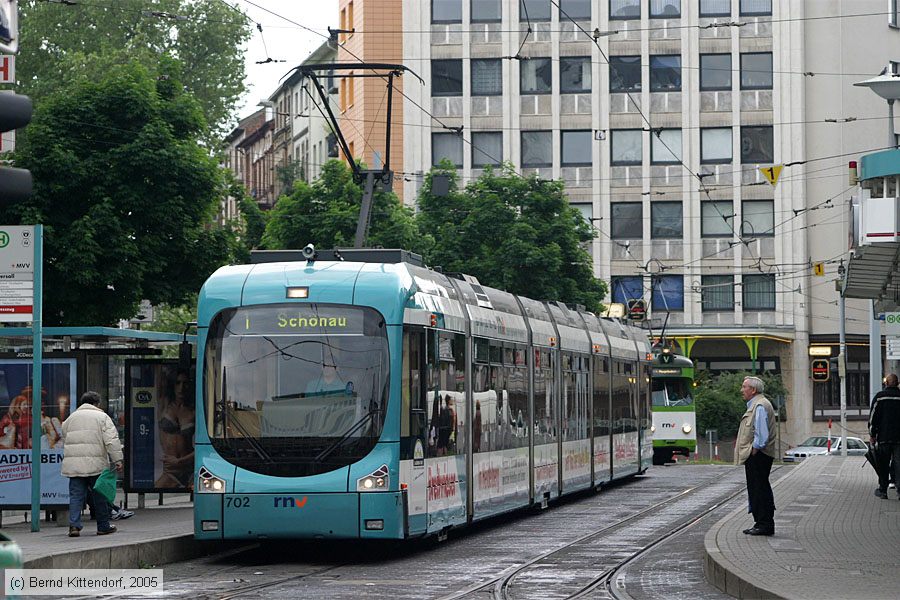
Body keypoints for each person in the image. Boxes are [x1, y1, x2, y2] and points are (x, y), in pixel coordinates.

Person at [61, 391, 123, 537]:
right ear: (96, 404)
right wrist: (117, 460)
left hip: (74, 465)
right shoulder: (102, 417)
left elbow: (65, 437)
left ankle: (74, 526)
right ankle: (103, 526)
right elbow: (111, 440)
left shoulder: (71, 418)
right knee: (99, 495)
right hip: (96, 464)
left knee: (76, 496)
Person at [735, 376, 777, 536]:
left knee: (759, 488)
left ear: (753, 390)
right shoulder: (759, 404)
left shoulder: (759, 406)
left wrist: (755, 449)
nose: (742, 390)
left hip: (759, 455)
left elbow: (762, 434)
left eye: (744, 387)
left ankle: (764, 524)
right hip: (759, 454)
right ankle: (762, 522)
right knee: (759, 487)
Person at [155, 368, 195, 489]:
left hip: (189, 466)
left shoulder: (194, 411)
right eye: (178, 383)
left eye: (185, 383)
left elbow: (203, 446)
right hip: (171, 470)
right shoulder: (164, 404)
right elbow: (159, 376)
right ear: (172, 385)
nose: (181, 388)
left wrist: (180, 461)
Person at [869, 373, 900, 499]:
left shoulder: (879, 397)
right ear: (897, 384)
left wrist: (872, 434)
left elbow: (873, 417)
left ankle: (883, 490)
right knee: (899, 464)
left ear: (886, 383)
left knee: (883, 463)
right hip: (899, 438)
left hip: (884, 437)